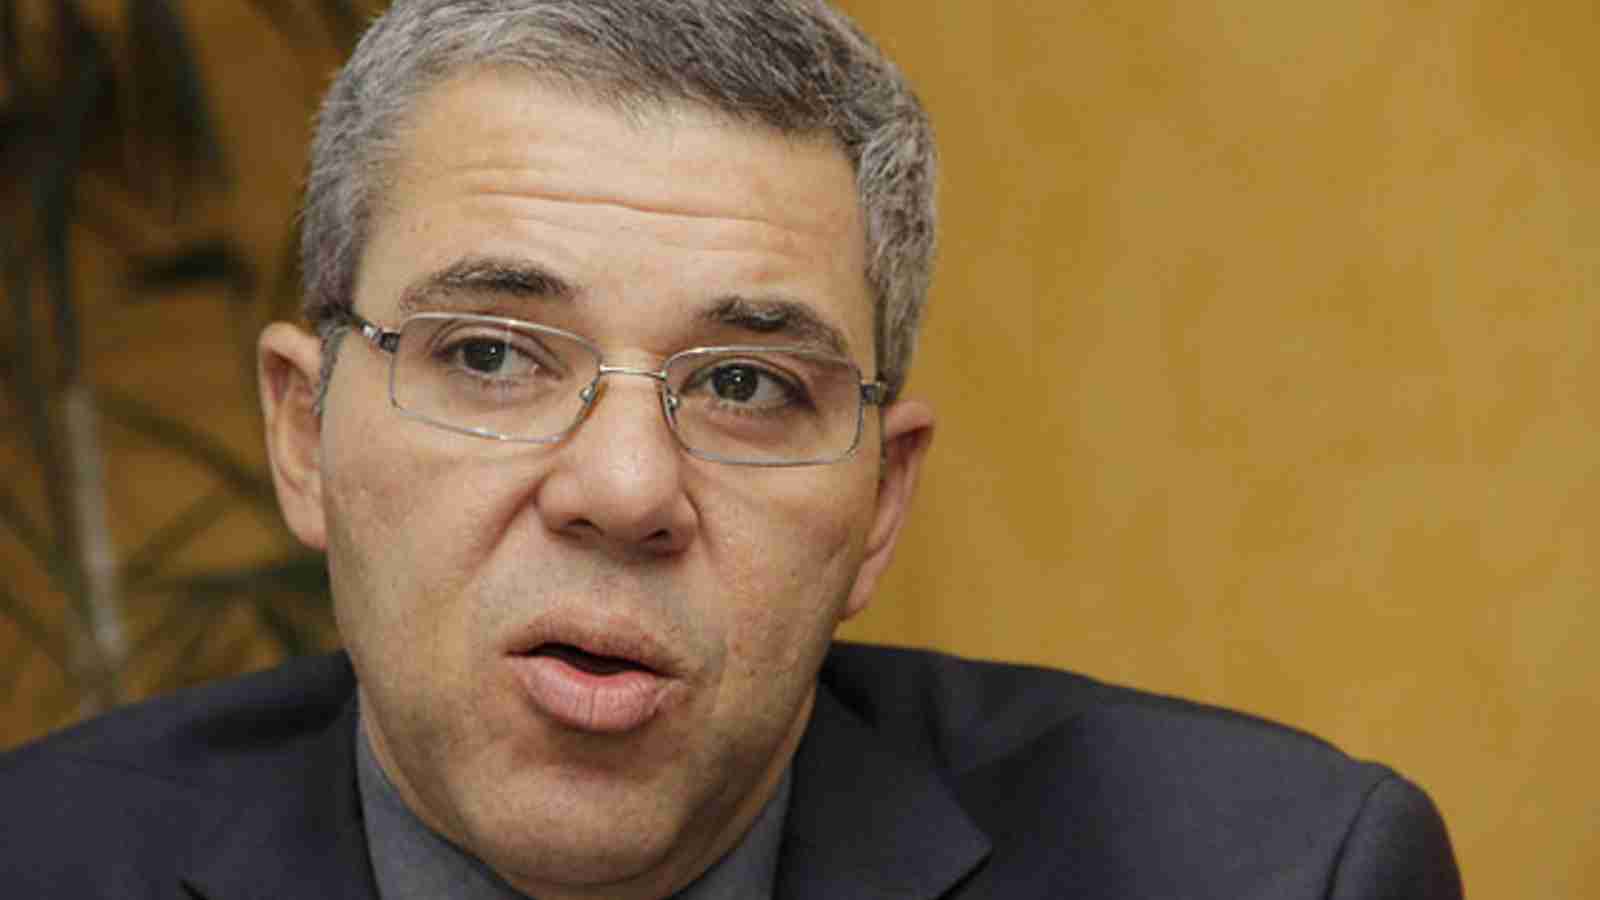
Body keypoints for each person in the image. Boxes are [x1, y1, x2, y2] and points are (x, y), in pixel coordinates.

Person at [0, 1, 1462, 897]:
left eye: (749, 384)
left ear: (879, 507)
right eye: (494, 355)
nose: (625, 489)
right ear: (303, 434)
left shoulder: (1277, 872)